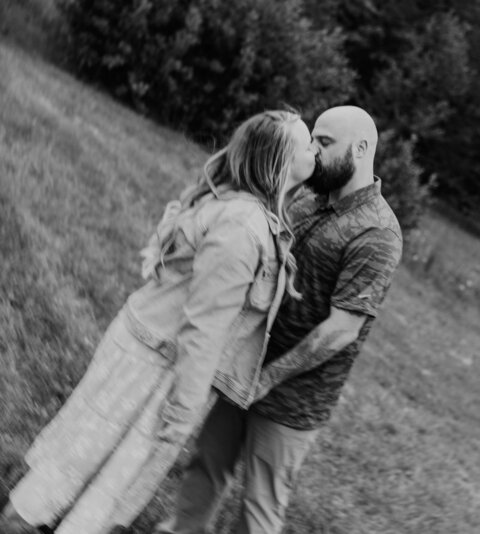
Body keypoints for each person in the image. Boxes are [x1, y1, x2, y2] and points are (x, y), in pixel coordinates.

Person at [0, 109, 317, 534]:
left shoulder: (254, 215)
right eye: (307, 142)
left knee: (97, 464)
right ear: (277, 161)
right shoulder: (245, 227)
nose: (315, 148)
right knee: (90, 465)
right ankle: (21, 520)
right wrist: (185, 408)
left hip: (152, 354)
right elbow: (205, 327)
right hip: (156, 367)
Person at [156, 105, 403, 534]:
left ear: (361, 149)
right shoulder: (307, 196)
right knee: (206, 465)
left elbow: (342, 329)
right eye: (313, 140)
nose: (313, 151)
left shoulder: (377, 232)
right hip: (244, 363)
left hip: (295, 396)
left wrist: (268, 379)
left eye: (324, 143)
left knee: (259, 507)